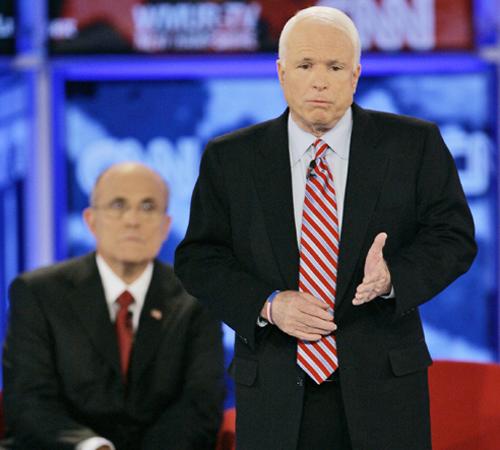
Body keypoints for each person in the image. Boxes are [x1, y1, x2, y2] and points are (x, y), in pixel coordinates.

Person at [174, 6, 477, 450]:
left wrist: (394, 277)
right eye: (305, 65)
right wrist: (269, 305)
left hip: (384, 388)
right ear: (281, 73)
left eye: (335, 67)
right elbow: (199, 257)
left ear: (355, 75)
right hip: (276, 388)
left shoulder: (413, 145)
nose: (320, 80)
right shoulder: (231, 158)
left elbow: (453, 238)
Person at [3, 162, 225, 450]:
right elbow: (28, 399)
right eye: (118, 205)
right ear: (91, 220)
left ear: (165, 226)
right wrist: (92, 446)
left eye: (148, 207)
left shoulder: (196, 299)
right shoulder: (37, 293)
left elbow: (200, 404)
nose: (132, 220)